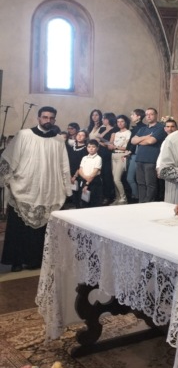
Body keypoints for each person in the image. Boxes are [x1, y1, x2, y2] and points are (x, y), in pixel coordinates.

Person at [0, 106, 72, 272]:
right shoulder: (24, 135)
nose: (48, 120)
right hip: (25, 188)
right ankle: (16, 261)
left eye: (51, 118)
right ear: (38, 118)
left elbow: (64, 166)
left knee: (41, 231)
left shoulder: (58, 140)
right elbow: (9, 158)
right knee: (18, 228)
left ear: (55, 120)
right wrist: (8, 179)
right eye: (45, 117)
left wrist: (67, 189)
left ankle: (35, 260)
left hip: (48, 190)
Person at [131, 107, 167, 203]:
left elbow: (151, 141)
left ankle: (148, 203)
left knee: (150, 184)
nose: (149, 116)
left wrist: (139, 141)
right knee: (140, 183)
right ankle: (141, 203)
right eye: (147, 114)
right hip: (139, 159)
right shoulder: (143, 129)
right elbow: (133, 141)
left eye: (151, 114)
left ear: (156, 115)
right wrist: (145, 137)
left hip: (151, 159)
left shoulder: (160, 128)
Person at [108, 115, 131, 205]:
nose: (120, 123)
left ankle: (123, 198)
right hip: (113, 155)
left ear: (126, 122)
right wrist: (111, 145)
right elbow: (110, 146)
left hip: (122, 155)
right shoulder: (116, 133)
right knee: (114, 179)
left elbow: (126, 147)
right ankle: (117, 198)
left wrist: (115, 147)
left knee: (117, 179)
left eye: (122, 121)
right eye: (118, 122)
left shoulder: (128, 132)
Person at [75, 139, 103, 208]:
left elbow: (94, 172)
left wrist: (87, 183)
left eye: (93, 147)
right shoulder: (84, 158)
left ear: (97, 148)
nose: (91, 149)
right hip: (85, 180)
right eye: (89, 147)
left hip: (94, 181)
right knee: (83, 201)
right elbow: (80, 170)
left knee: (93, 202)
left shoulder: (98, 158)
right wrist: (86, 179)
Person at [125, 109, 145, 203]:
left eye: (133, 115)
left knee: (132, 178)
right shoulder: (136, 127)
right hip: (132, 154)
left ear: (139, 117)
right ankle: (135, 196)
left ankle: (136, 197)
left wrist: (129, 151)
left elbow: (136, 142)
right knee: (131, 178)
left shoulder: (142, 127)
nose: (131, 116)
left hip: (137, 154)